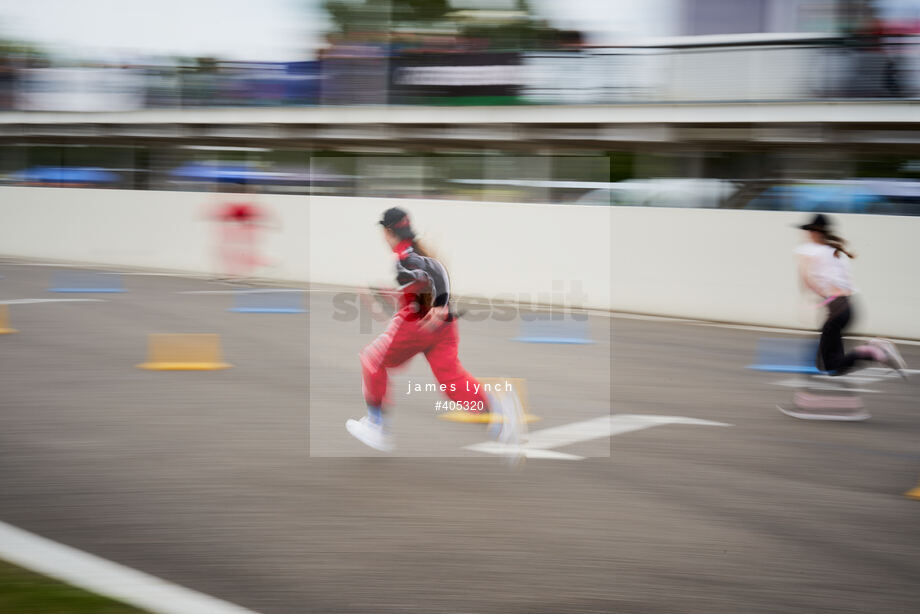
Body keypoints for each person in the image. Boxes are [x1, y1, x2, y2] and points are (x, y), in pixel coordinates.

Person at [346, 207, 521, 452]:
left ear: (387, 231)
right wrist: (435, 305)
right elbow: (423, 287)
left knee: (372, 361)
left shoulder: (403, 255)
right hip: (443, 327)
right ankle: (499, 410)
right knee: (451, 382)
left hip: (417, 326)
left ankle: (376, 427)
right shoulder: (414, 250)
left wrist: (439, 304)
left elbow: (436, 271)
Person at [795, 213, 906, 376]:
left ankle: (875, 349)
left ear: (816, 232)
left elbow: (808, 281)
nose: (807, 235)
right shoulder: (836, 252)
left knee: (830, 366)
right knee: (829, 365)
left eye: (809, 231)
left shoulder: (814, 251)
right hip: (848, 307)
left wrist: (809, 299)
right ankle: (874, 348)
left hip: (837, 310)